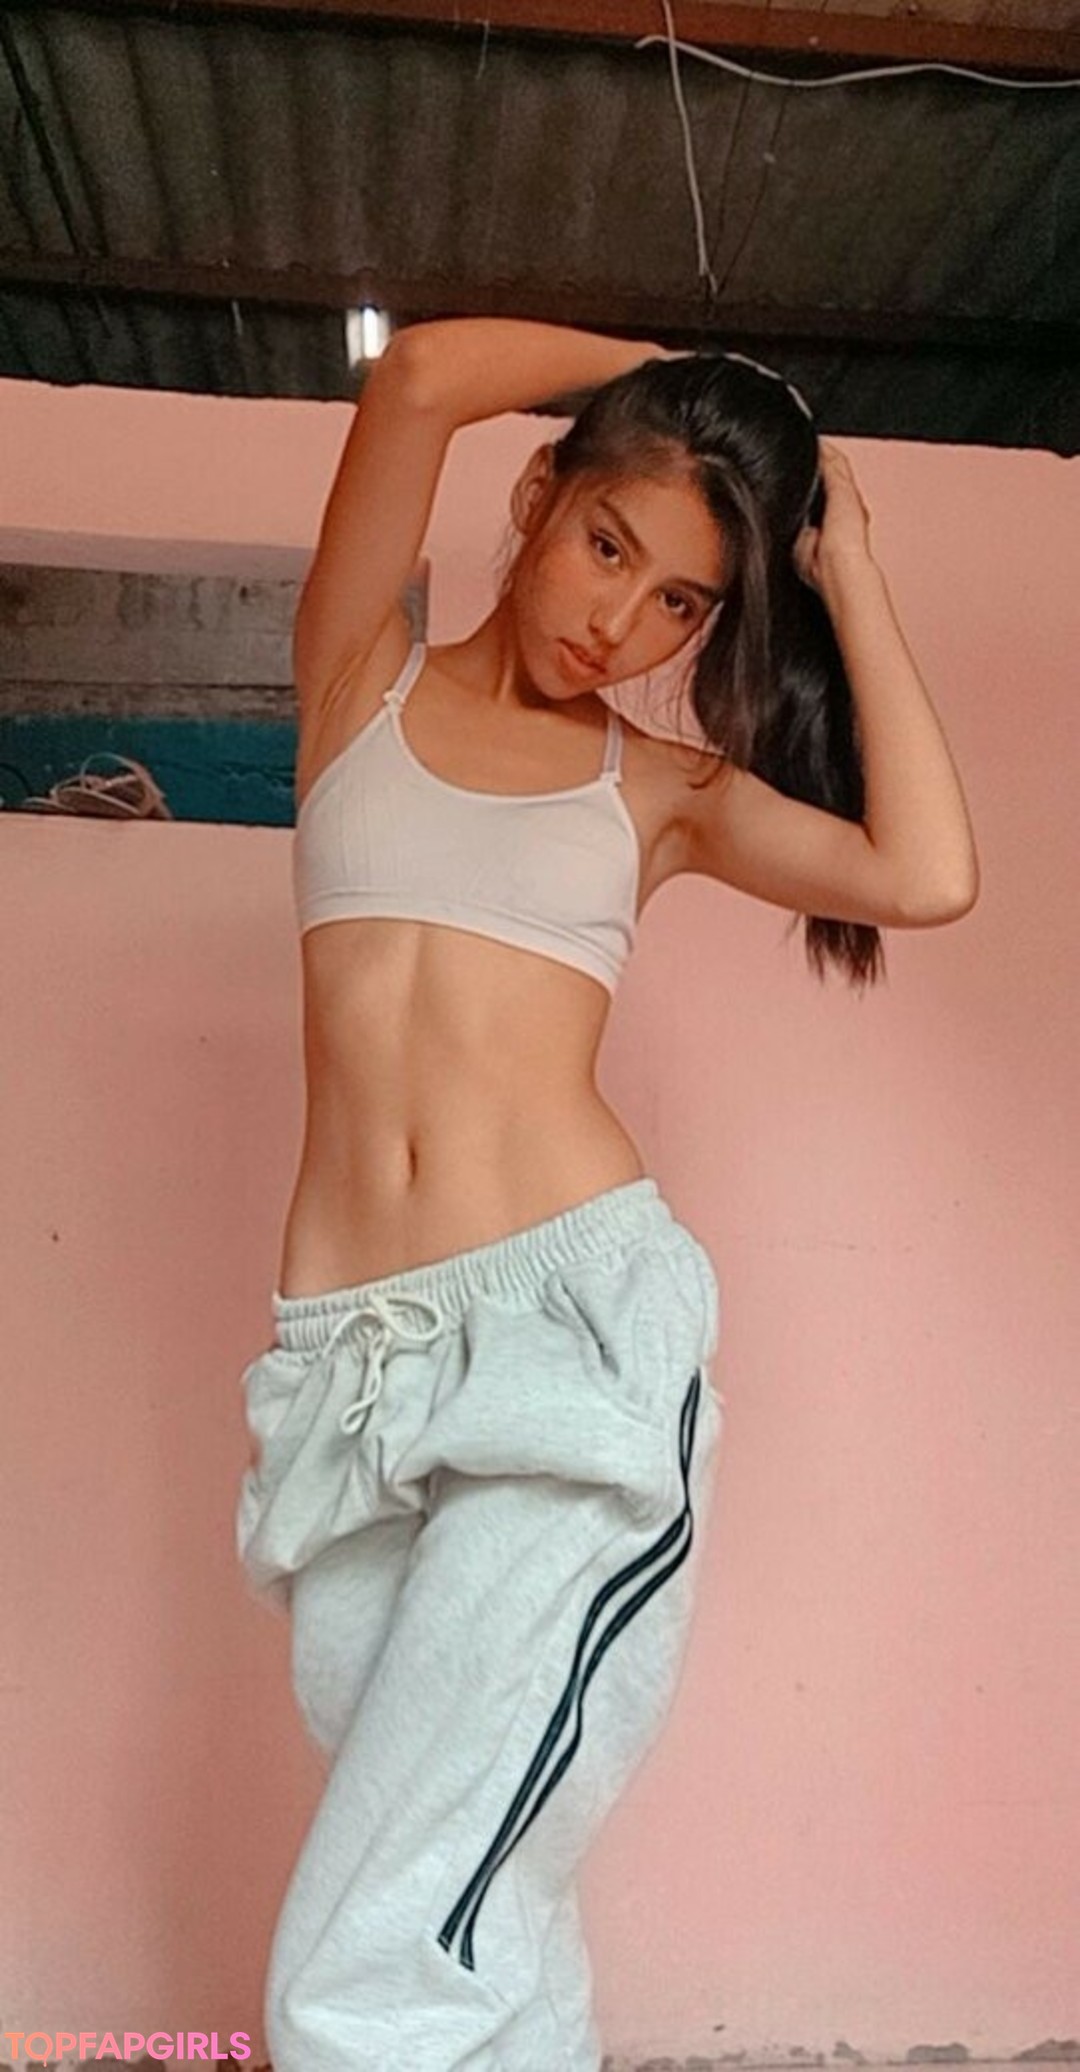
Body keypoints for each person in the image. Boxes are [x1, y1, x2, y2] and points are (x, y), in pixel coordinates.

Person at [234, 318, 979, 2072]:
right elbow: (417, 377)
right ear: (538, 496)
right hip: (351, 1367)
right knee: (469, 1866)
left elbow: (926, 872)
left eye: (679, 604)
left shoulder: (656, 793)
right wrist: (683, 366)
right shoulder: (357, 687)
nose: (617, 621)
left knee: (375, 1945)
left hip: (565, 1339)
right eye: (607, 544)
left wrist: (851, 569)